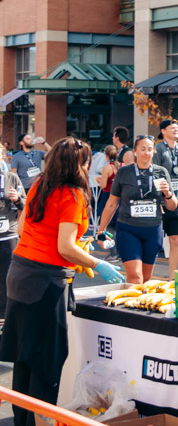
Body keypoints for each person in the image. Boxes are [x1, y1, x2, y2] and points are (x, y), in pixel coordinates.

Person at [0, 138, 123, 426]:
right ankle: (41, 421)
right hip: (45, 283)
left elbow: (24, 228)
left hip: (20, 273)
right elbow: (65, 247)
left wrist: (76, 246)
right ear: (81, 164)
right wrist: (97, 262)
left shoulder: (40, 183)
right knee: (46, 360)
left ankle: (23, 421)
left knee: (24, 356)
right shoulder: (72, 195)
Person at [96, 135, 177, 284]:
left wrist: (168, 194)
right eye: (143, 149)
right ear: (135, 151)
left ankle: (138, 304)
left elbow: (172, 206)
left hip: (153, 230)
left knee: (146, 279)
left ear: (154, 152)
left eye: (150, 149)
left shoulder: (161, 172)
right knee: (135, 276)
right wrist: (101, 231)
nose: (146, 153)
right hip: (128, 229)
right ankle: (129, 307)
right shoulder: (124, 172)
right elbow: (112, 203)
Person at [153, 119, 178, 278]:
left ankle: (172, 277)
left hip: (177, 201)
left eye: (177, 128)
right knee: (155, 242)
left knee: (175, 239)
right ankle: (148, 276)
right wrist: (158, 199)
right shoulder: (158, 149)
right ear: (163, 131)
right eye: (172, 127)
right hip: (160, 202)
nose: (176, 130)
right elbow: (154, 174)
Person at [0, 153, 26, 320]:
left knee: (9, 276)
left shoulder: (12, 178)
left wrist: (17, 200)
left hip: (8, 236)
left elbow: (25, 203)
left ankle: (6, 313)